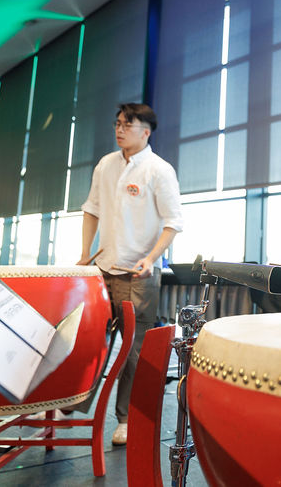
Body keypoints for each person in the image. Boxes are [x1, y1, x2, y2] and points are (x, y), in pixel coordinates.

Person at [79, 103, 183, 446]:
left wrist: (152, 258)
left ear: (146, 132)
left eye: (128, 124)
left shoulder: (159, 170)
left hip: (138, 274)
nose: (119, 129)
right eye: (118, 123)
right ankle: (75, 401)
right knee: (90, 337)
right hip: (102, 269)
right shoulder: (106, 165)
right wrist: (84, 253)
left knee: (133, 349)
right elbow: (92, 210)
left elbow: (172, 223)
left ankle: (125, 419)